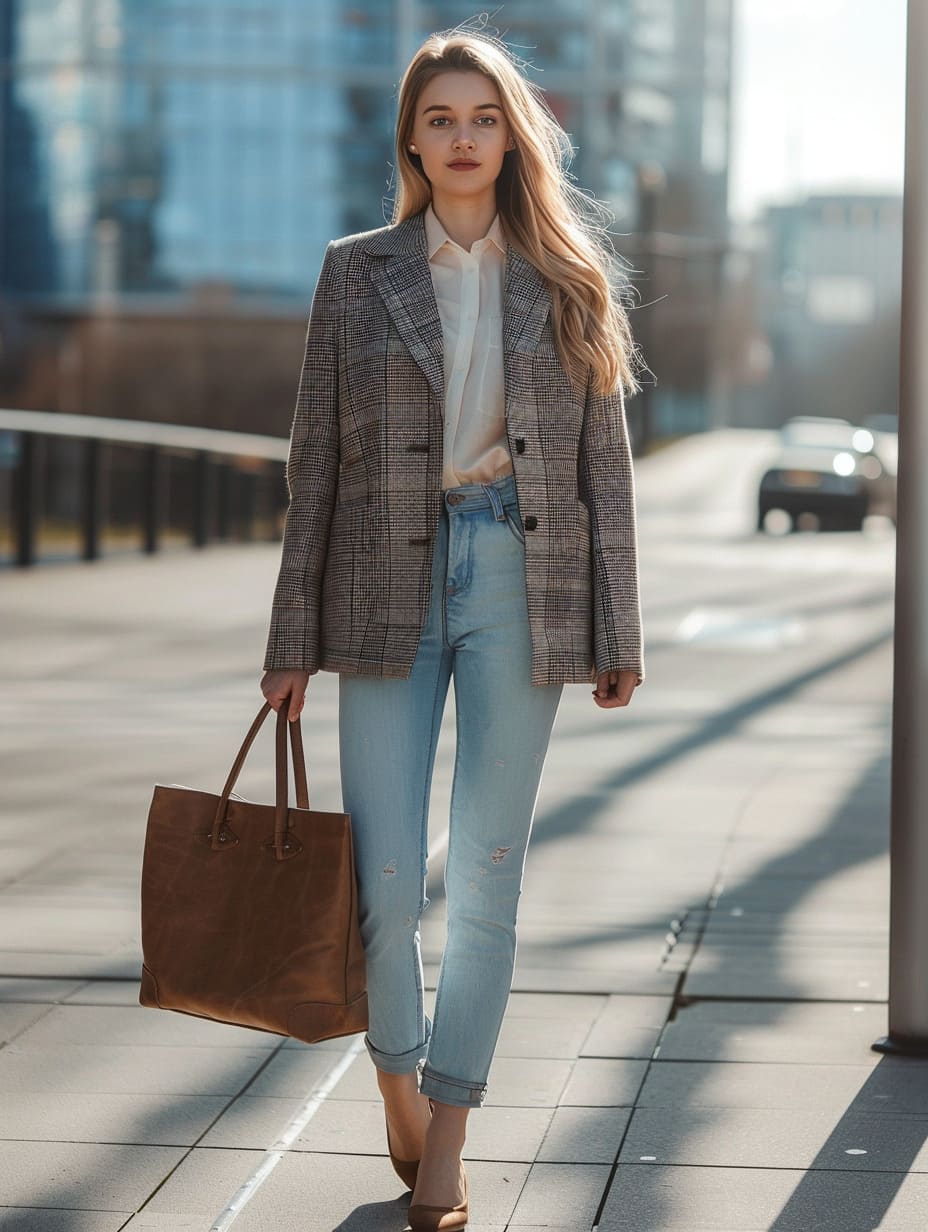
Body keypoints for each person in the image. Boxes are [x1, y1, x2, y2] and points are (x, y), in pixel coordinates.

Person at [260, 27, 644, 1232]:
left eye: (483, 116)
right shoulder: (355, 270)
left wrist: (616, 628)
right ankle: (395, 1068)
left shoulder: (568, 271)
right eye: (441, 118)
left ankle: (450, 1136)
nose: (463, 136)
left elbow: (603, 465)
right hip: (383, 582)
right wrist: (289, 637)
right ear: (412, 139)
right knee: (380, 880)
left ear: (509, 134)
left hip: (519, 579)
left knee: (485, 876)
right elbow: (311, 461)